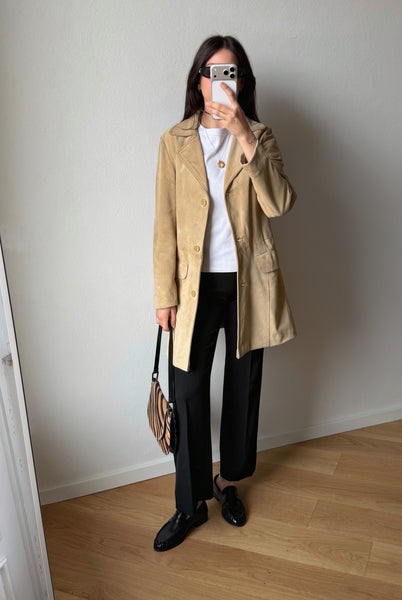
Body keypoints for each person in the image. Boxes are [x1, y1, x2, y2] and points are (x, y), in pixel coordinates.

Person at [152, 35, 297, 552]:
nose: (221, 82)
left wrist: (241, 132)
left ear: (242, 81)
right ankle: (189, 503)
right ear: (198, 81)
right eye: (213, 72)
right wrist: (163, 293)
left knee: (242, 390)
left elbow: (280, 204)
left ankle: (227, 483)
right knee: (188, 393)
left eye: (230, 72)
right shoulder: (174, 141)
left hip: (246, 285)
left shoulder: (259, 136)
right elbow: (164, 224)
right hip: (193, 290)